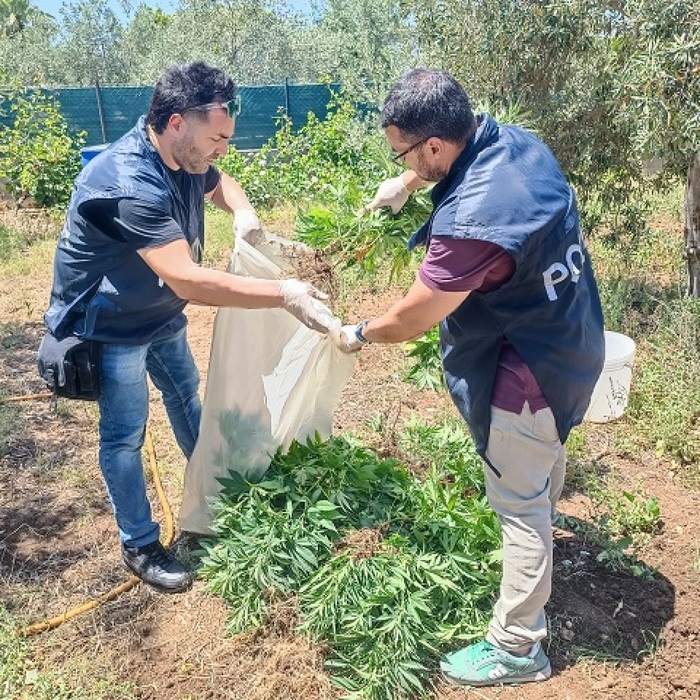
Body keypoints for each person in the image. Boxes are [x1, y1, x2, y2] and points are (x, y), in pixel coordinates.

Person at [340, 68, 605, 686]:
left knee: (517, 504)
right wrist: (404, 184)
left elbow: (416, 314)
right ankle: (540, 506)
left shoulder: (472, 220)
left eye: (402, 151)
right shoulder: (515, 142)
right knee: (539, 464)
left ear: (434, 144)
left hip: (527, 368)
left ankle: (517, 648)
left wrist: (360, 332)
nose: (401, 159)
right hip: (573, 341)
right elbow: (448, 161)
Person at [42, 62, 338, 594]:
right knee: (125, 436)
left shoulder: (186, 155)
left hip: (157, 315)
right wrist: (285, 292)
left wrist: (243, 213)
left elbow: (220, 182)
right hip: (111, 326)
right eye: (218, 137)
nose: (223, 148)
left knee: (186, 398)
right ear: (177, 122)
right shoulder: (128, 182)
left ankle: (215, 486)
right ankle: (140, 543)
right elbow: (186, 280)